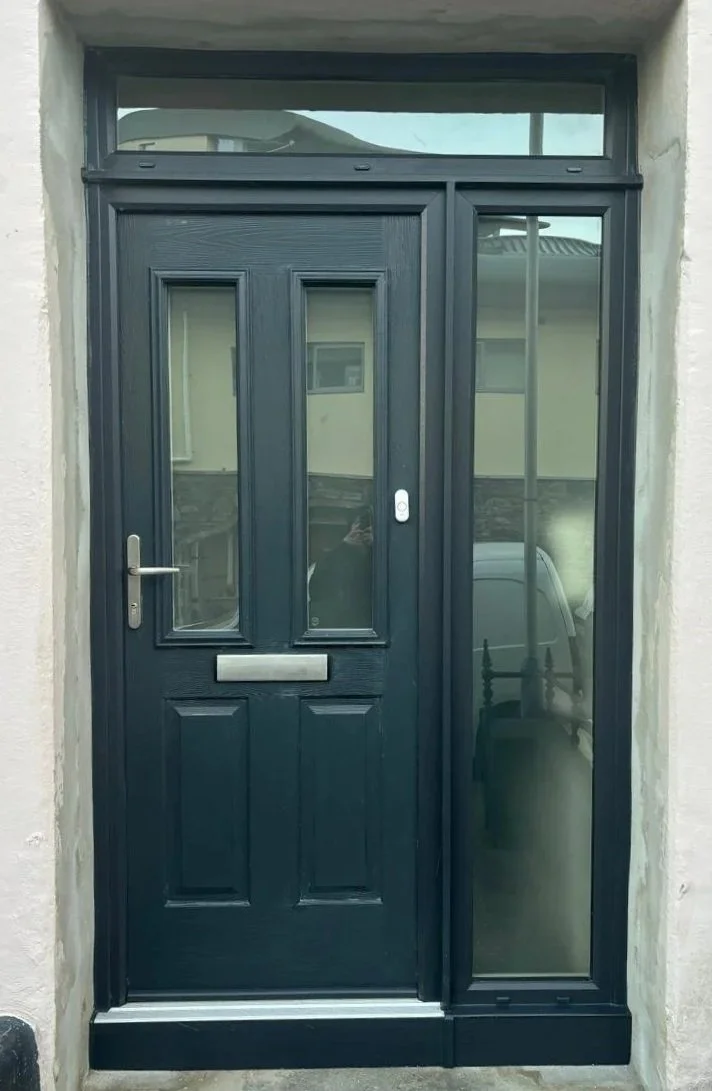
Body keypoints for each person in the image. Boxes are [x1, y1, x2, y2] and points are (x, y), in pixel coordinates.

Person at [308, 506, 373, 629]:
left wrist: (377, 546)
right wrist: (344, 546)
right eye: (359, 526)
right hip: (341, 626)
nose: (363, 532)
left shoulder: (383, 556)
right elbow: (317, 589)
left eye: (369, 527)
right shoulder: (335, 557)